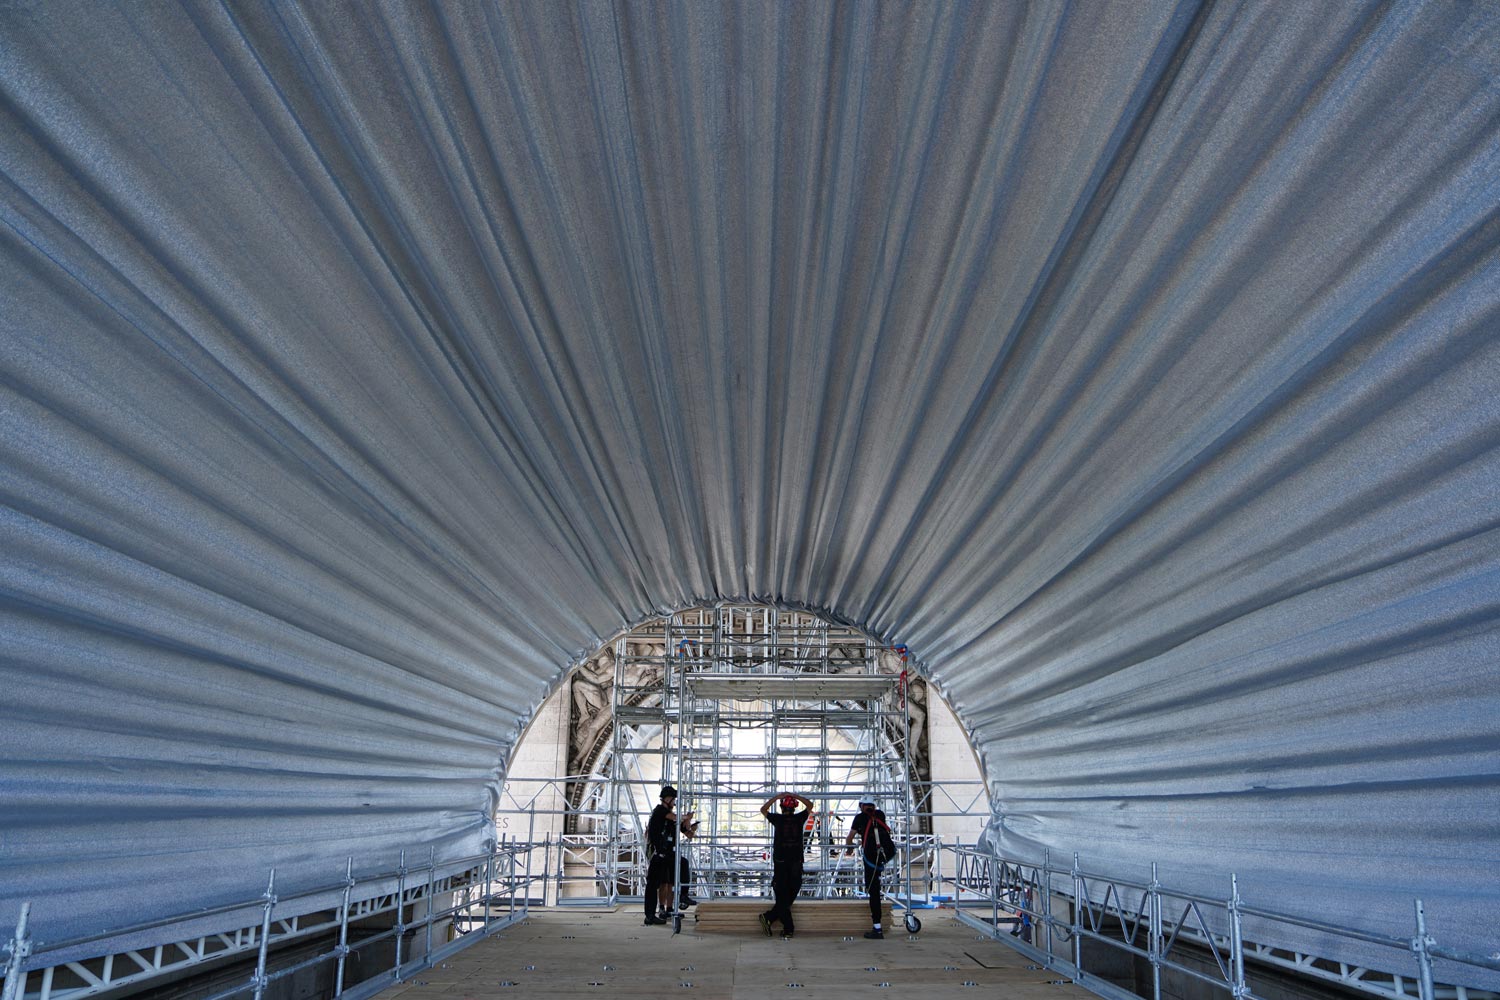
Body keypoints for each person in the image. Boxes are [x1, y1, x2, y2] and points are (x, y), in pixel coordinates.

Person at [759, 792, 813, 938]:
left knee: (784, 895)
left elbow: (763, 809)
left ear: (782, 807)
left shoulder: (779, 818)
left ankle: (769, 917)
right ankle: (788, 928)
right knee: (787, 894)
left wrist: (777, 797)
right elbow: (810, 805)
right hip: (792, 862)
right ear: (794, 808)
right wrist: (794, 795)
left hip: (784, 862)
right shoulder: (797, 818)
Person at [846, 797, 896, 939]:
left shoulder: (859, 818)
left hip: (870, 859)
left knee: (873, 891)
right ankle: (877, 926)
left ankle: (877, 928)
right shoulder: (880, 815)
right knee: (876, 889)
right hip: (882, 857)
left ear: (861, 806)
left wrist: (849, 849)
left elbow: (849, 838)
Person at [643, 785, 680, 925]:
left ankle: (653, 913)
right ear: (667, 799)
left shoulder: (666, 815)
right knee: (653, 884)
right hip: (658, 854)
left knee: (664, 881)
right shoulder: (660, 811)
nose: (675, 802)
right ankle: (650, 915)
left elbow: (682, 827)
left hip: (664, 854)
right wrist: (685, 817)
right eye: (674, 799)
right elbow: (676, 818)